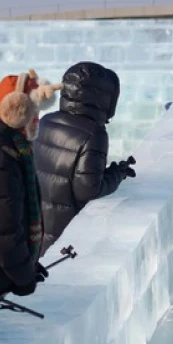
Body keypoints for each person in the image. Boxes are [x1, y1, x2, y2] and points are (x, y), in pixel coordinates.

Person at [0, 70, 61, 320]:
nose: (37, 122)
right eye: (33, 115)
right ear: (15, 113)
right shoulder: (1, 161)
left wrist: (26, 264)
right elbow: (4, 235)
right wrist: (23, 277)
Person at [36, 62, 134, 254]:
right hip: (64, 237)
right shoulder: (93, 134)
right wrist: (117, 173)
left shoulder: (45, 121)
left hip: (36, 232)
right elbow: (88, 189)